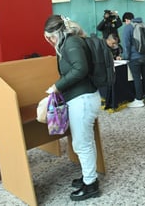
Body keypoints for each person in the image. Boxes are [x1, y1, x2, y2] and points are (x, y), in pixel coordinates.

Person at [43, 15, 101, 201]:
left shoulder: (71, 43)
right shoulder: (71, 42)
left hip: (82, 100)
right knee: (85, 142)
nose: (50, 42)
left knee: (81, 144)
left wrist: (57, 86)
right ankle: (88, 176)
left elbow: (80, 69)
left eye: (50, 37)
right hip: (83, 98)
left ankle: (91, 185)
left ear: (58, 32)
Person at [122, 15, 145, 108]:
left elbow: (126, 44)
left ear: (127, 20)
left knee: (137, 78)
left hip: (135, 57)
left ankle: (139, 100)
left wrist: (126, 57)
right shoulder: (144, 25)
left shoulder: (128, 27)